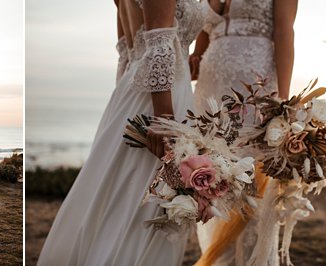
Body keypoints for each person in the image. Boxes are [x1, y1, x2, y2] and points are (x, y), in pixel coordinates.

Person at [37, 0, 206, 264]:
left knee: (128, 196)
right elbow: (159, 41)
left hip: (144, 89)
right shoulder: (163, 108)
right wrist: (164, 118)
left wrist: (121, 110)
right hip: (161, 98)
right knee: (148, 198)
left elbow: (127, 55)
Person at [189, 0, 297, 264]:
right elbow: (205, 29)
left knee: (250, 179)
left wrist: (283, 103)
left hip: (254, 86)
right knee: (211, 176)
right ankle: (218, 256)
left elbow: (284, 32)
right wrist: (196, 57)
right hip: (210, 89)